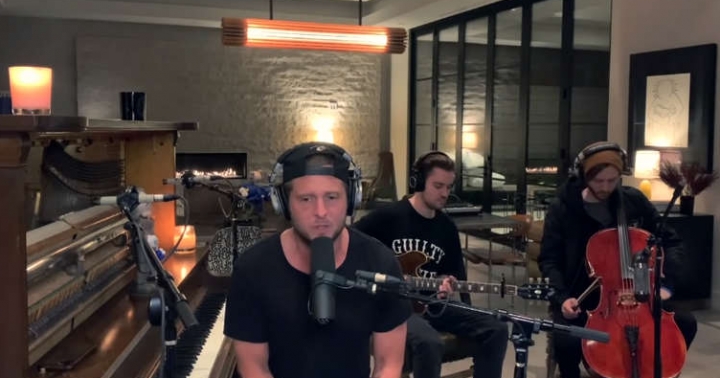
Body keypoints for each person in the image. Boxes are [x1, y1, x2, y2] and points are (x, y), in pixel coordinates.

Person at [224, 142, 412, 378]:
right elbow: (253, 368)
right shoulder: (252, 269)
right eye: (306, 199)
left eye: (332, 197)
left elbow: (388, 365)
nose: (321, 212)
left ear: (351, 200)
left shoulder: (380, 262)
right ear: (283, 204)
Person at [538, 141, 698, 378]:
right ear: (583, 176)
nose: (605, 187)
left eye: (612, 181)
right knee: (566, 341)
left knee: (686, 323)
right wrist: (562, 298)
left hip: (640, 294)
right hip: (583, 298)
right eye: (598, 181)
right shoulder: (563, 208)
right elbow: (549, 260)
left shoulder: (634, 201)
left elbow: (671, 242)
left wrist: (666, 283)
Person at [353, 151, 509, 378]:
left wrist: (446, 284)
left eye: (448, 187)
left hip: (432, 304)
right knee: (429, 342)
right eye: (438, 186)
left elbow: (452, 274)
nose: (445, 193)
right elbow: (349, 241)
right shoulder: (388, 217)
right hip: (394, 306)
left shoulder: (446, 228)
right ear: (418, 182)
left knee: (497, 328)